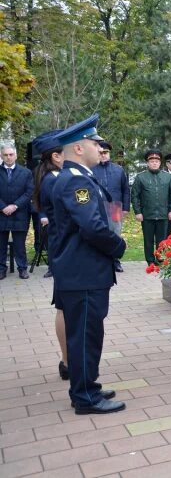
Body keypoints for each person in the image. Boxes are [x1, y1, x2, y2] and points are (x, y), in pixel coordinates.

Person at [49, 114, 126, 414]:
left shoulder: (77, 178)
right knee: (84, 336)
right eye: (95, 143)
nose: (100, 147)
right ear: (79, 148)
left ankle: (87, 385)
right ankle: (84, 397)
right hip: (83, 271)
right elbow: (92, 227)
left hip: (84, 270)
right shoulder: (75, 181)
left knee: (88, 333)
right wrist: (118, 246)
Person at [31, 130, 69, 379]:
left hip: (59, 246)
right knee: (65, 306)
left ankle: (67, 361)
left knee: (63, 304)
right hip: (65, 248)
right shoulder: (55, 180)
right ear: (55, 156)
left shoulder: (48, 176)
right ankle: (67, 360)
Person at [131, 149, 171, 266]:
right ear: (148, 163)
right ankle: (150, 261)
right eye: (152, 161)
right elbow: (135, 196)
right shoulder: (141, 177)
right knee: (148, 240)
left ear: (160, 163)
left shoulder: (167, 177)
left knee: (162, 240)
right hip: (147, 214)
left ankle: (160, 260)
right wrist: (137, 212)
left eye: (156, 161)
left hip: (163, 214)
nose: (154, 163)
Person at [94, 140, 130, 272]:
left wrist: (126, 208)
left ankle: (115, 261)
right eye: (101, 152)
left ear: (109, 153)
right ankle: (101, 261)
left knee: (115, 234)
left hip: (115, 206)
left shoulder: (118, 170)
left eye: (106, 152)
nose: (103, 155)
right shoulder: (92, 169)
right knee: (99, 233)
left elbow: (125, 190)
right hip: (98, 206)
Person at [1, 144, 33, 280]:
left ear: (16, 155)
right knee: (0, 244)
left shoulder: (26, 172)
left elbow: (29, 192)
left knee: (20, 244)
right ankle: (1, 269)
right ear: (1, 156)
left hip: (19, 213)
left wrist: (15, 206)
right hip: (1, 213)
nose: (8, 157)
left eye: (11, 154)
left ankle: (22, 268)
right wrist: (3, 207)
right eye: (5, 155)